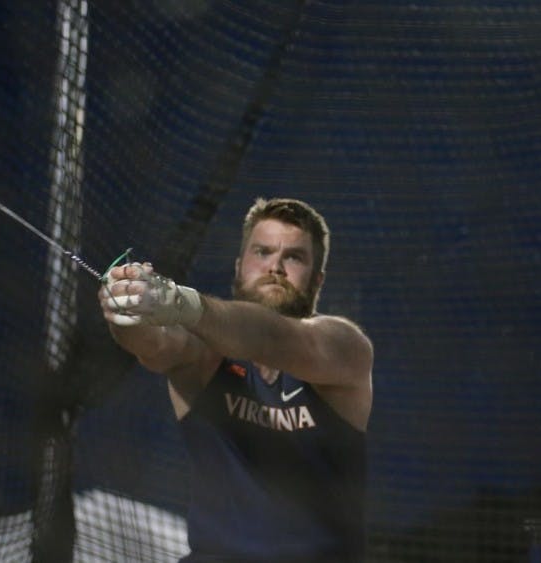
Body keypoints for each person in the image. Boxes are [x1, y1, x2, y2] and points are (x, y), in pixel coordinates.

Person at [98, 197, 373, 562]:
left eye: (294, 257)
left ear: (317, 280)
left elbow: (277, 338)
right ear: (239, 266)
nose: (275, 266)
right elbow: (158, 343)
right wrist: (126, 311)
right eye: (262, 251)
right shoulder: (204, 356)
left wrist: (181, 303)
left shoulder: (343, 347)